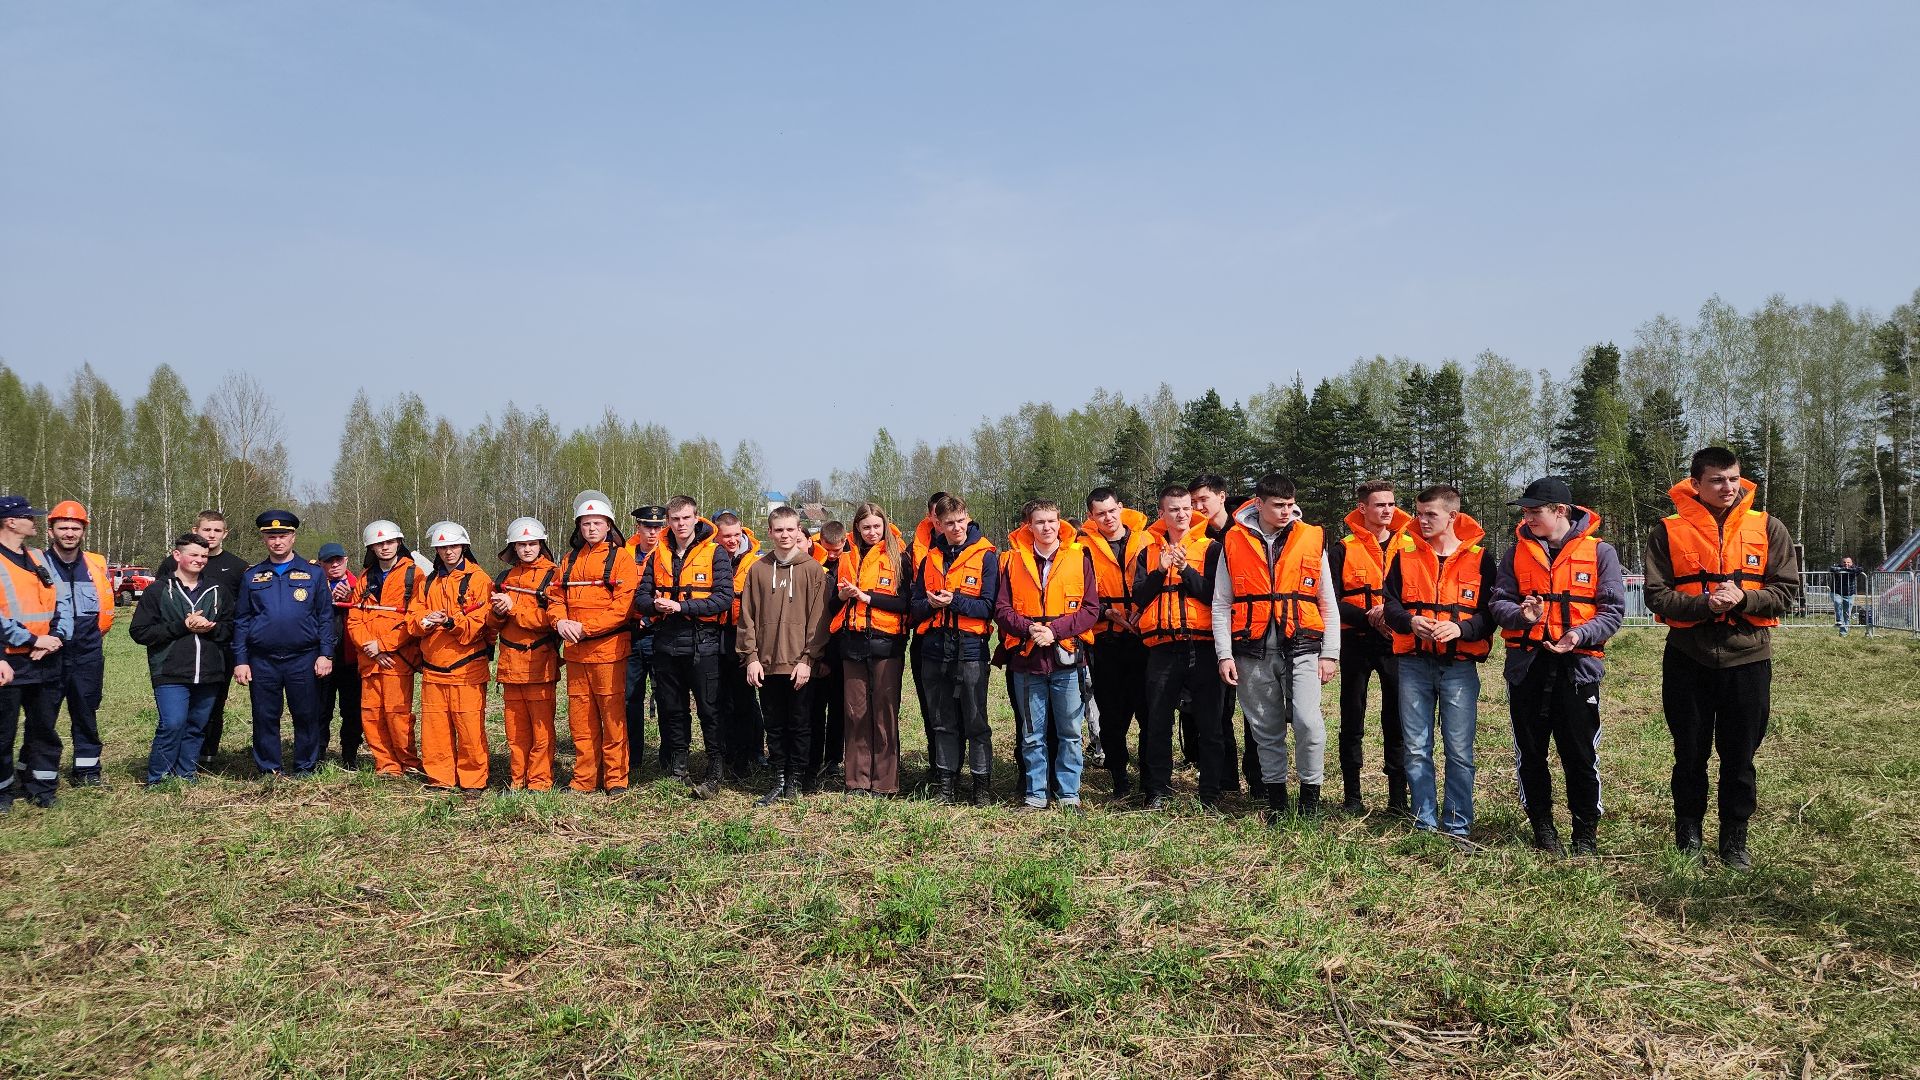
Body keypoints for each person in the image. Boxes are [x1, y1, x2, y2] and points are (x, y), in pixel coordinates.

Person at [1644, 446, 1799, 870]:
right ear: (1695, 484)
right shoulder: (1667, 531)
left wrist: (1745, 597)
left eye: (1733, 478)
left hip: (1748, 659)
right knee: (1689, 753)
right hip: (1687, 658)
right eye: (1716, 479)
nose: (1727, 487)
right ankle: (1688, 836)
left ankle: (1734, 841)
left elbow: (1786, 593)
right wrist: (1705, 606)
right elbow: (1656, 595)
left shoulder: (1769, 527)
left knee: (1740, 756)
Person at [1489, 478, 1625, 857]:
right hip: (1527, 668)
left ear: (1560, 511)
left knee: (1580, 755)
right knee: (1530, 753)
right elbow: (1498, 602)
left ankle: (1584, 834)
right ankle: (1543, 829)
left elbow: (1613, 611)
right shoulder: (1514, 554)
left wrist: (1578, 636)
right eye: (1525, 511)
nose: (1527, 517)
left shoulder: (1601, 553)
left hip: (1577, 668)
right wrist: (1520, 614)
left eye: (1535, 510)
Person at [1213, 474, 1341, 822]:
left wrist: (1331, 652)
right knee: (1265, 728)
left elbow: (1326, 599)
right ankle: (1276, 802)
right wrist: (1224, 654)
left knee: (1308, 722)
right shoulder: (1233, 541)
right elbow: (1222, 602)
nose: (1286, 512)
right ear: (1259, 503)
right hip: (1252, 648)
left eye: (1289, 505)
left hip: (1302, 645)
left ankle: (1310, 800)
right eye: (1278, 506)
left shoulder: (1312, 538)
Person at [1383, 486, 1498, 843]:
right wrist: (1409, 622)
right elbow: (1390, 605)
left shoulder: (1481, 559)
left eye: (1431, 514)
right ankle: (1424, 822)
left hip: (1459, 668)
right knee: (1417, 749)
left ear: (1452, 516)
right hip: (1413, 664)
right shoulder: (1404, 556)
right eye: (1419, 513)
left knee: (1460, 751)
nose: (1423, 520)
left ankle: (1459, 825)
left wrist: (1461, 628)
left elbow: (1490, 614)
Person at [997, 500, 1100, 811]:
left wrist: (1054, 631)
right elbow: (1001, 609)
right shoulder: (1013, 561)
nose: (1047, 527)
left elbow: (1090, 610)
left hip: (1067, 659)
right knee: (1032, 734)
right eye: (1040, 522)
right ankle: (1035, 795)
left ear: (1060, 523)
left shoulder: (1079, 558)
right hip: (1027, 661)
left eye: (1052, 521)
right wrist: (1030, 629)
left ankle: (1069, 795)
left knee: (1070, 732)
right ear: (1029, 526)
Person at [1133, 485, 1225, 809]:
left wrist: (1185, 569)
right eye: (1174, 509)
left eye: (1187, 508)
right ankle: (1157, 790)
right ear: (1162, 514)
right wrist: (1160, 570)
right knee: (1158, 723)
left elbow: (1214, 595)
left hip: (1202, 647)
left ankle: (1210, 793)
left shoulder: (1211, 549)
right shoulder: (1146, 554)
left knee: (1210, 726)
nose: (1182, 514)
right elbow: (1140, 598)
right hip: (1162, 650)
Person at [635, 494, 732, 797]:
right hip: (666, 643)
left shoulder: (715, 553)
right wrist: (655, 606)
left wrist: (682, 607)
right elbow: (639, 598)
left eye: (686, 518)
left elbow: (724, 598)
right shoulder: (657, 555)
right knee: (672, 709)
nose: (680, 524)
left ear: (696, 518)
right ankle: (679, 768)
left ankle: (715, 770)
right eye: (675, 520)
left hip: (702, 643)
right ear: (668, 521)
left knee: (709, 709)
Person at [737, 506, 832, 805]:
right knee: (774, 724)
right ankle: (779, 777)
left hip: (799, 664)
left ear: (799, 530)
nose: (785, 535)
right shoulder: (758, 569)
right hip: (766, 662)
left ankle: (796, 779)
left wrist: (808, 660)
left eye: (790, 529)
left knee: (800, 723)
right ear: (770, 532)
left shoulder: (812, 569)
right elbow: (747, 616)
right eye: (779, 530)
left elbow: (819, 618)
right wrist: (750, 657)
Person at [1327, 480, 1412, 815]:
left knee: (1396, 719)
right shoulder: (1342, 548)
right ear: (1362, 508)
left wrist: (1389, 613)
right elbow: (1331, 600)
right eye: (1379, 505)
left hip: (1396, 641)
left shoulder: (1409, 546)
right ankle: (1352, 795)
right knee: (1352, 718)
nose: (1387, 510)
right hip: (1356, 642)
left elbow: (1418, 593)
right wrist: (1368, 615)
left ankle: (1397, 799)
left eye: (1391, 504)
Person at [231, 510, 336, 780]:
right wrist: (241, 659)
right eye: (271, 536)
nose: (277, 541)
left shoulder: (312, 574)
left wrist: (326, 654)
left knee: (306, 714)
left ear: (293, 537)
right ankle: (269, 768)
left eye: (283, 535)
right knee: (265, 716)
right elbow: (241, 620)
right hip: (262, 659)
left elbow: (325, 617)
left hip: (304, 657)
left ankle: (305, 766)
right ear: (264, 539)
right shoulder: (252, 576)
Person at [909, 495, 999, 805]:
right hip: (934, 648)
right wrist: (930, 604)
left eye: (960, 521)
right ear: (939, 524)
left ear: (967, 518)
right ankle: (946, 785)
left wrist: (954, 601)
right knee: (942, 720)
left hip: (970, 649)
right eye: (949, 523)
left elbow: (989, 606)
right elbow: (915, 606)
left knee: (976, 721)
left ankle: (981, 788)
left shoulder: (986, 555)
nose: (956, 527)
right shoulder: (930, 557)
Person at [550, 490, 642, 796]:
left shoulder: (621, 559)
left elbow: (622, 607)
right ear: (579, 527)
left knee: (612, 717)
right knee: (581, 720)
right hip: (576, 654)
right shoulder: (568, 560)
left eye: (597, 523)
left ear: (609, 526)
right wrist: (560, 622)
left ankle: (616, 779)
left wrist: (583, 628)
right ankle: (583, 780)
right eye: (586, 523)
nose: (591, 528)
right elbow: (554, 597)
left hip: (609, 653)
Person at [131, 533, 235, 784]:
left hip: (209, 671)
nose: (199, 560)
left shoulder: (218, 590)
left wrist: (212, 627)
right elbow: (140, 632)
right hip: (170, 670)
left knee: (197, 725)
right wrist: (182, 625)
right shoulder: (158, 590)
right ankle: (159, 777)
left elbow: (231, 627)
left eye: (204, 556)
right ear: (177, 555)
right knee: (173, 724)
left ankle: (186, 773)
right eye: (194, 555)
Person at [156, 510, 249, 765]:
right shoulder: (172, 563)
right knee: (178, 706)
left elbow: (241, 610)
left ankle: (206, 754)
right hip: (178, 646)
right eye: (206, 529)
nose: (211, 535)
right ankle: (174, 756)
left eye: (217, 530)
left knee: (214, 703)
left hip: (219, 645)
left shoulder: (238, 567)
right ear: (196, 530)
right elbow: (161, 600)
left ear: (225, 534)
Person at [834, 502, 910, 797]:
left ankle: (886, 782)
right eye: (866, 527)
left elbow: (904, 603)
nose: (872, 532)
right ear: (857, 528)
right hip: (851, 643)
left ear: (885, 526)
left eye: (877, 526)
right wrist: (842, 595)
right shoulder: (845, 558)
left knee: (885, 713)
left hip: (887, 643)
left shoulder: (898, 557)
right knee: (855, 713)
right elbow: (832, 603)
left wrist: (867, 597)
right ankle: (856, 780)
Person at [1082, 488, 1152, 798]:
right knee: (1111, 714)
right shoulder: (1081, 549)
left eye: (1112, 511)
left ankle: (1151, 779)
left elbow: (1159, 584)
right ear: (1091, 517)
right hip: (1106, 639)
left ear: (1121, 508)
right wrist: (1105, 611)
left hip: (1143, 639)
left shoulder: (1148, 541)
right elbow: (1076, 595)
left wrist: (1140, 613)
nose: (1108, 518)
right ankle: (1119, 779)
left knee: (1149, 712)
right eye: (1100, 514)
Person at [1190, 474, 1257, 793]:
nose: (1198, 507)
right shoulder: (1195, 536)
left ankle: (1259, 780)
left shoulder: (1247, 531)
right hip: (1213, 634)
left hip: (1250, 630)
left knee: (1256, 713)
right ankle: (1228, 781)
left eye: (1203, 500)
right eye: (1193, 502)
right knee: (1220, 711)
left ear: (1221, 497)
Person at [415, 522, 495, 792]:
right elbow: (412, 617)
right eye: (442, 547)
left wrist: (451, 622)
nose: (448, 552)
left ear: (463, 546)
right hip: (433, 668)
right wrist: (425, 621)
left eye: (453, 546)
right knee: (435, 729)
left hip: (467, 669)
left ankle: (473, 780)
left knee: (470, 729)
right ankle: (440, 778)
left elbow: (481, 622)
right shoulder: (428, 582)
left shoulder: (480, 580)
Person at [345, 520, 426, 779]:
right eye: (379, 543)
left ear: (399, 543)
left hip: (397, 659)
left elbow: (414, 619)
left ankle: (408, 762)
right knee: (372, 715)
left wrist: (383, 645)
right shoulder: (365, 577)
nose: (385, 547)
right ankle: (386, 765)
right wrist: (371, 649)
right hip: (370, 661)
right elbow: (354, 618)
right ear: (371, 547)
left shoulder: (414, 575)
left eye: (389, 542)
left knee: (398, 714)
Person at [41, 501, 114, 786]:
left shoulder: (95, 565)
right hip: (48, 653)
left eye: (75, 527)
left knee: (86, 712)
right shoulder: (37, 564)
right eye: (63, 527)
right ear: (51, 531)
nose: (69, 533)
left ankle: (87, 771)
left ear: (83, 531)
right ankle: (38, 772)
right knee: (43, 716)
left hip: (87, 651)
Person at [0, 495, 65, 810]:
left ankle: (41, 787)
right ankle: (3, 793)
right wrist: (30, 640)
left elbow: (58, 600)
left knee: (44, 727)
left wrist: (53, 637)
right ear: (11, 522)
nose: (35, 521)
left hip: (45, 658)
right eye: (29, 516)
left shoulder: (39, 556)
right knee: (3, 732)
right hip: (9, 661)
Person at [490, 517, 561, 791]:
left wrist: (513, 610)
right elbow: (492, 623)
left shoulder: (553, 575)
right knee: (515, 730)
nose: (527, 549)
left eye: (532, 543)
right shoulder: (504, 578)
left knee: (542, 729)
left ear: (541, 544)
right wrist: (496, 612)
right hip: (510, 664)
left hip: (540, 662)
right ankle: (518, 780)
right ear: (513, 547)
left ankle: (540, 782)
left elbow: (549, 619)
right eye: (521, 544)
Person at [714, 511, 766, 779]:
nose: (732, 541)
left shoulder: (756, 561)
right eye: (726, 536)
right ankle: (725, 752)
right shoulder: (710, 556)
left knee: (746, 698)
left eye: (736, 535)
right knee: (721, 698)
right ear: (717, 536)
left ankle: (750, 753)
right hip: (716, 632)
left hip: (744, 633)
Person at [807, 520, 849, 782]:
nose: (832, 555)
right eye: (827, 549)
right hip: (816, 643)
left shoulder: (852, 562)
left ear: (845, 541)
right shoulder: (809, 561)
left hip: (841, 644)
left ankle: (834, 758)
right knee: (815, 706)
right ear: (818, 541)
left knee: (838, 707)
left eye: (837, 549)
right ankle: (812, 757)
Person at [314, 542, 363, 768]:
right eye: (328, 562)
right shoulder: (313, 584)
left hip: (352, 660)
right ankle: (319, 753)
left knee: (352, 711)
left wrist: (352, 599)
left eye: (338, 561)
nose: (334, 565)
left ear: (346, 561)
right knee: (320, 709)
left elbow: (373, 611)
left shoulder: (361, 584)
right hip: (322, 659)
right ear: (321, 563)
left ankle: (349, 755)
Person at [624, 505, 666, 769]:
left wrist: (652, 616)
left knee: (666, 697)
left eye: (657, 527)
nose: (652, 532)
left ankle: (669, 758)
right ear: (638, 528)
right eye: (647, 527)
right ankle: (632, 757)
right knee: (630, 697)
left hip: (660, 633)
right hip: (629, 633)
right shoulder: (623, 556)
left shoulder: (669, 555)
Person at [1830, 556, 1865, 635]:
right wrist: (1846, 570)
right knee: (1837, 602)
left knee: (1846, 613)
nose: (1846, 564)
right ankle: (1839, 620)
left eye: (1848, 562)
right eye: (1844, 562)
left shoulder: (1854, 568)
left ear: (1852, 563)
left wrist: (1846, 570)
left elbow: (1860, 569)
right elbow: (1832, 569)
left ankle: (1843, 633)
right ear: (1841, 563)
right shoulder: (1837, 567)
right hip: (1836, 592)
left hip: (1849, 594)